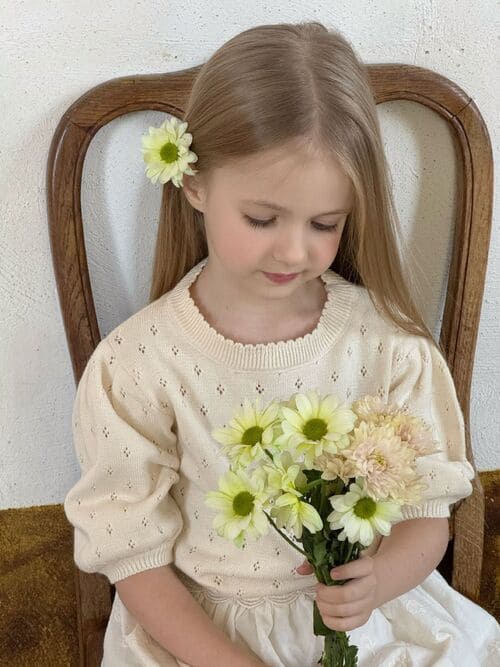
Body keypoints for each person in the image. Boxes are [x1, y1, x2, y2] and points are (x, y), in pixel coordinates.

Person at [64, 21, 500, 667]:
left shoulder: (387, 346)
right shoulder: (137, 365)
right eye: (262, 219)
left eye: (325, 224)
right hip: (197, 637)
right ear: (194, 183)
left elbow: (428, 509)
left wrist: (378, 580)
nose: (295, 251)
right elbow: (133, 556)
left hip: (367, 624)